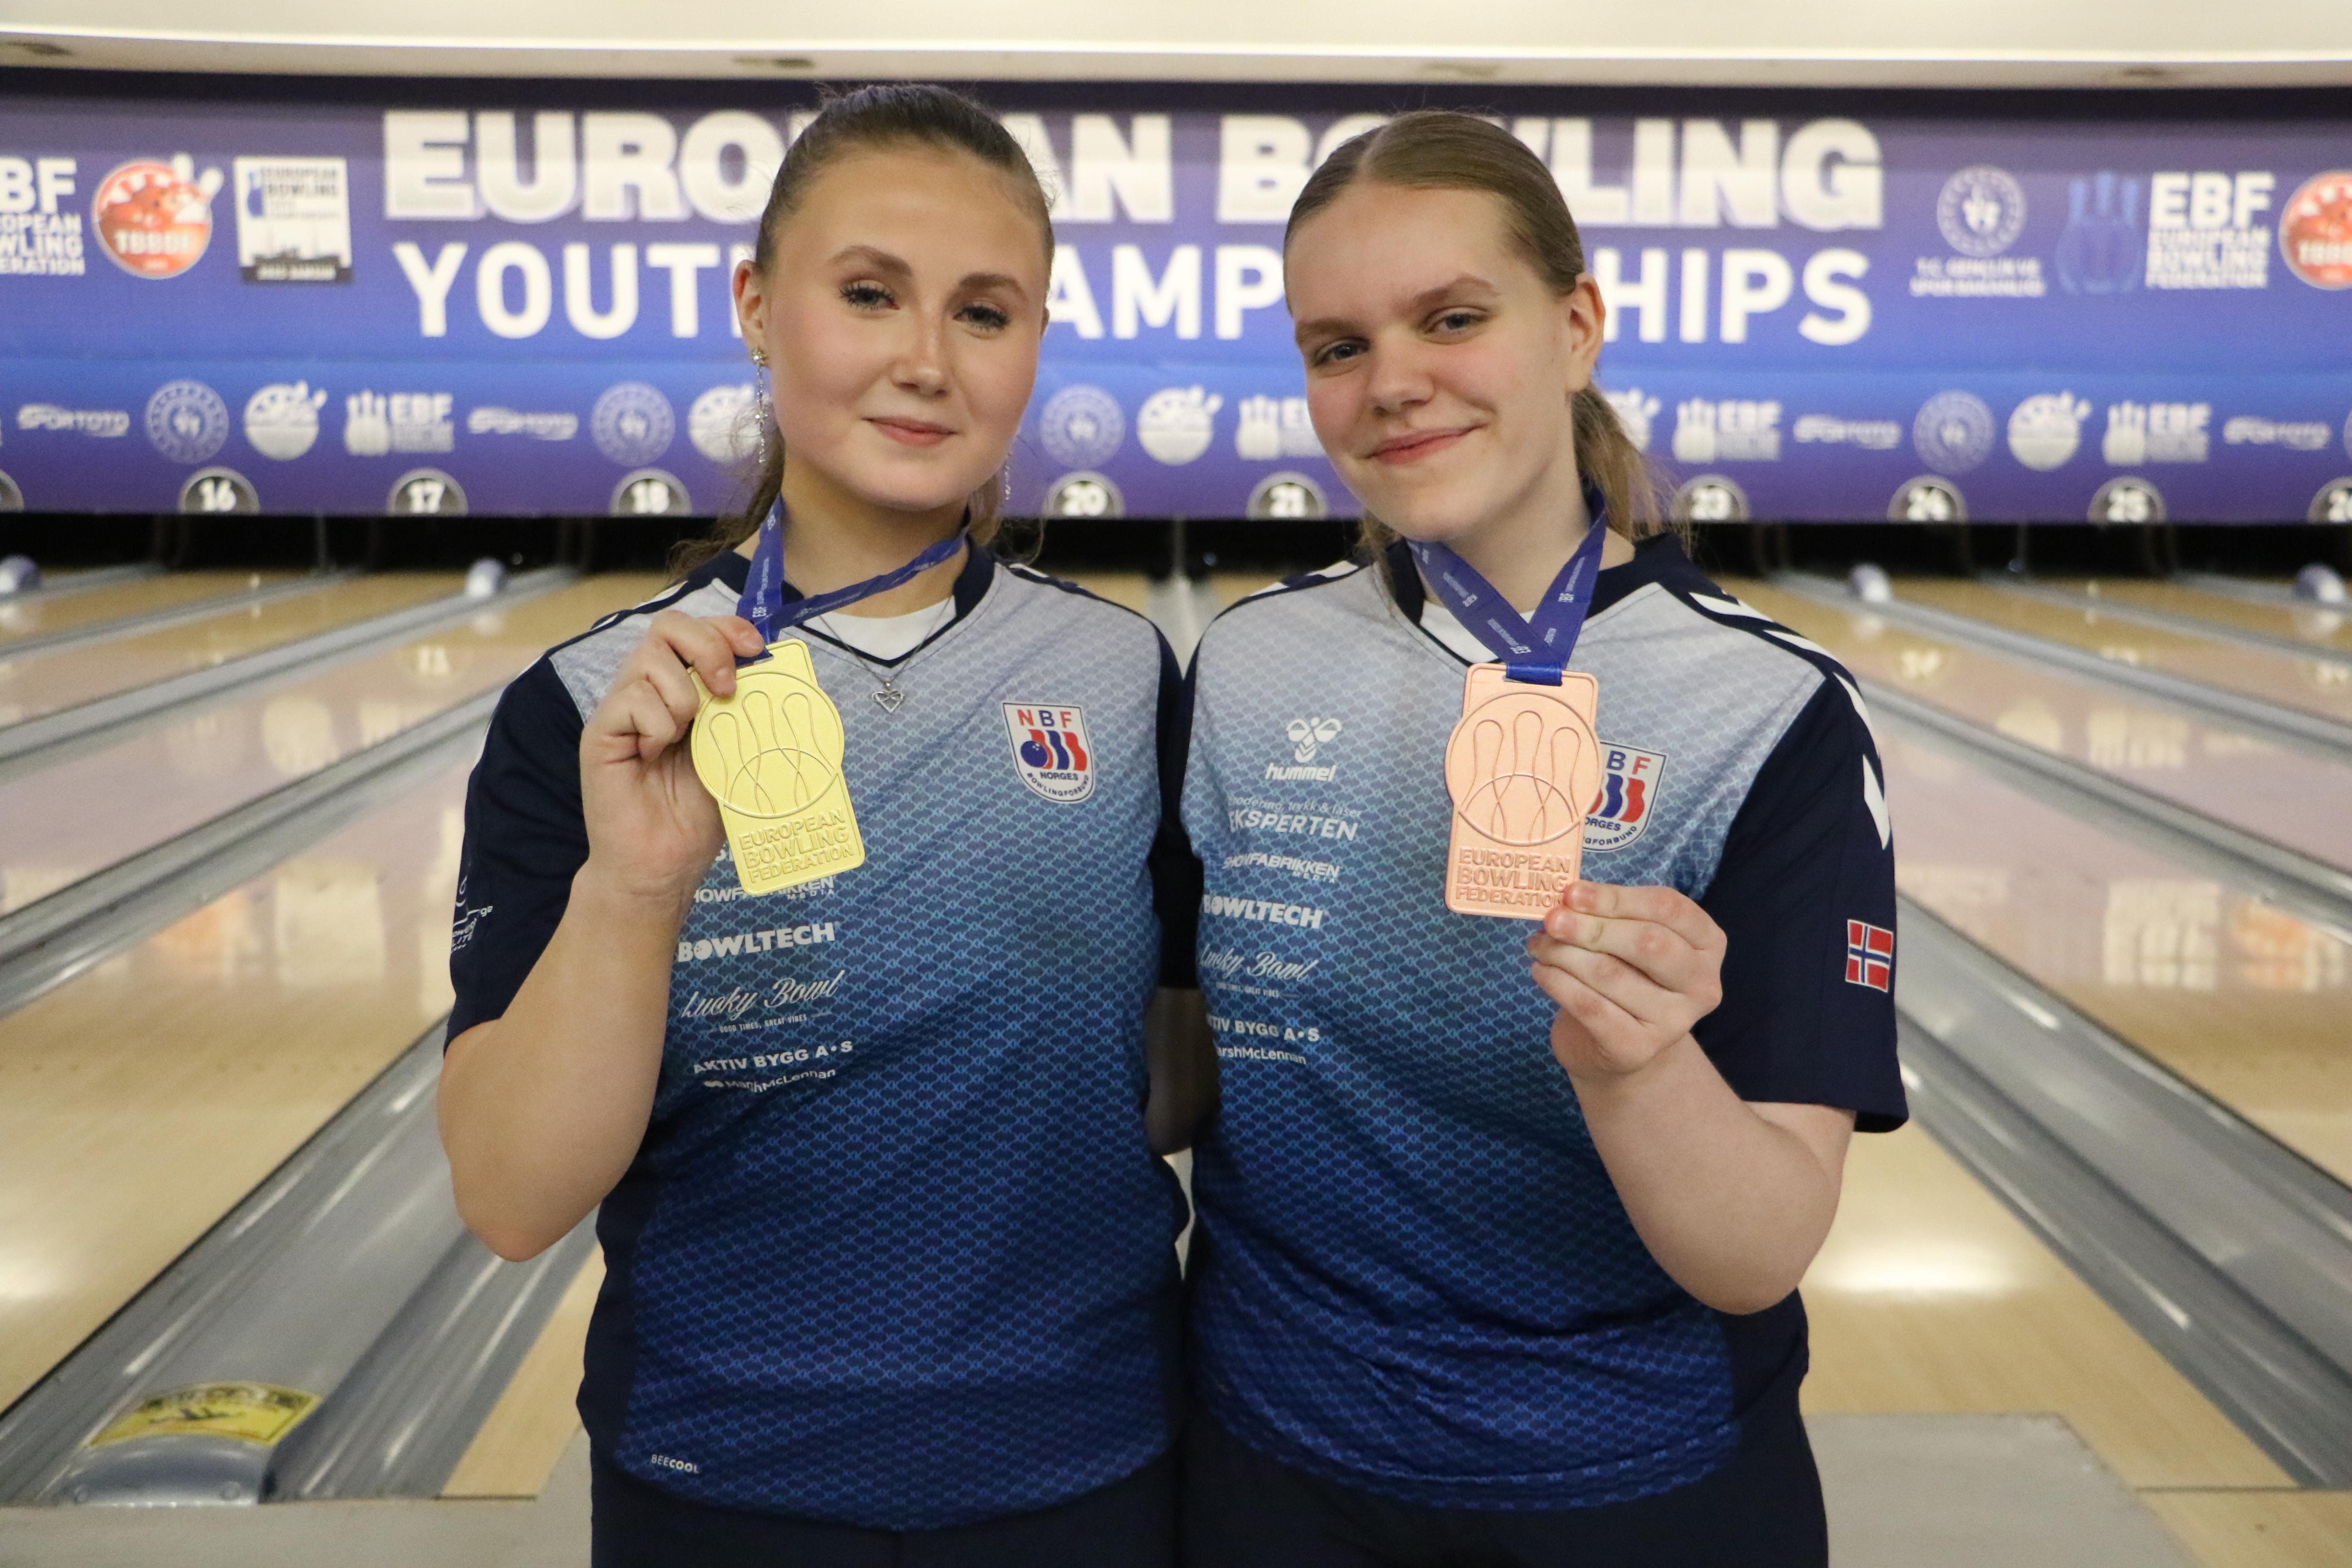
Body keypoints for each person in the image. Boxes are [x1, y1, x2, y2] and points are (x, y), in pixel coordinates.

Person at [435, 85, 1197, 1567]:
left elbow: (1174, 1083)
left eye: (985, 313)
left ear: (1036, 342)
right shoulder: (586, 708)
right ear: (757, 306)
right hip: (720, 1480)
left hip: (1088, 1466)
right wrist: (636, 890)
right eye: (868, 294)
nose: (926, 360)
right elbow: (513, 1199)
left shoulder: (1122, 674)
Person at [1175, 110, 1906, 1566]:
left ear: (1575, 328)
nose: (1394, 383)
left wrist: (1642, 1070)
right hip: (1272, 1467)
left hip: (1635, 1485)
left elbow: (1759, 1249)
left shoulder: (1769, 712)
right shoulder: (1244, 665)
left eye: (1453, 319)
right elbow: (1168, 1078)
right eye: (1337, 346)